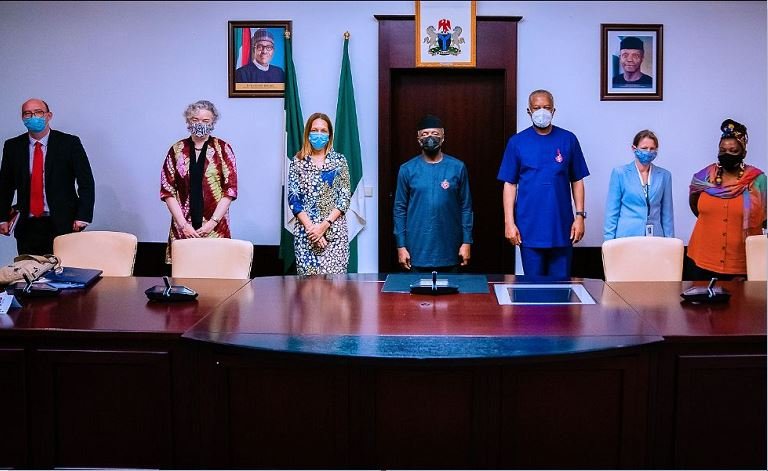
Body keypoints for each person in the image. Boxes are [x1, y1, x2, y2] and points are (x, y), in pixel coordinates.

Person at [498, 89, 590, 279]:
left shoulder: (568, 139)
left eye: (546, 108)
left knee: (561, 288)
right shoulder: (517, 142)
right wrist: (509, 222)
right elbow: (510, 184)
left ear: (554, 111)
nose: (542, 112)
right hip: (529, 227)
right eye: (537, 108)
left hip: (562, 227)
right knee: (533, 289)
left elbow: (577, 180)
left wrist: (580, 217)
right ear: (529, 111)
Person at [0, 98, 95, 255]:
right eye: (27, 114)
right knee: (30, 273)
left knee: (63, 272)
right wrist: (2, 217)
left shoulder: (69, 143)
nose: (33, 117)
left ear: (49, 115)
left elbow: (86, 182)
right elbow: (5, 186)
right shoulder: (12, 146)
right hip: (27, 225)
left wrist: (83, 216)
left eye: (38, 112)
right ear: (22, 118)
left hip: (63, 222)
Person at [686, 119, 766, 280]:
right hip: (701, 261)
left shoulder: (758, 180)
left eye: (733, 150)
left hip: (741, 265)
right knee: (698, 305)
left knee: (741, 305)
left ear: (743, 152)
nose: (726, 154)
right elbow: (695, 206)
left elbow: (764, 218)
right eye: (722, 150)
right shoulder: (704, 177)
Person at [393, 114, 473, 272]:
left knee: (452, 295)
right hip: (416, 248)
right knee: (416, 296)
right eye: (425, 134)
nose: (430, 137)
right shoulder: (407, 169)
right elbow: (399, 209)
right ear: (418, 139)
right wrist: (401, 245)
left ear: (443, 138)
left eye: (435, 134)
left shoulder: (457, 167)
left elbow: (466, 207)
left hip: (450, 247)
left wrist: (466, 242)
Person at [160, 100, 238, 264]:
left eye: (205, 121)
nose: (200, 124)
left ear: (213, 122)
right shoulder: (177, 150)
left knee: (216, 275)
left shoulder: (223, 149)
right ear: (188, 121)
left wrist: (212, 223)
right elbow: (167, 191)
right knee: (183, 278)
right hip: (183, 228)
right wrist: (183, 225)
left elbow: (230, 191)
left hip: (215, 228)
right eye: (195, 120)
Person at [288, 112, 351, 275]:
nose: (319, 134)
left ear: (329, 135)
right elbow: (294, 200)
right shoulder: (297, 161)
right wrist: (313, 230)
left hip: (335, 234)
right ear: (308, 133)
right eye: (315, 130)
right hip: (306, 234)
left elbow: (344, 199)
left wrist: (323, 227)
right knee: (309, 293)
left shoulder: (339, 161)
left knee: (335, 293)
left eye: (323, 131)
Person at [604, 130, 674, 239]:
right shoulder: (620, 173)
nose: (648, 151)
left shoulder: (664, 175)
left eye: (652, 149)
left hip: (655, 238)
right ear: (634, 148)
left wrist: (670, 242)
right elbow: (612, 212)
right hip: (626, 237)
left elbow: (667, 214)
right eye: (644, 148)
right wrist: (608, 242)